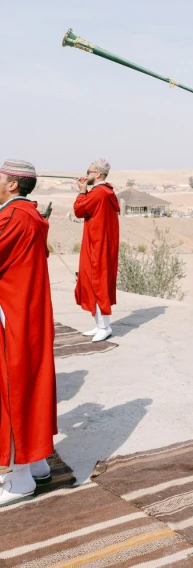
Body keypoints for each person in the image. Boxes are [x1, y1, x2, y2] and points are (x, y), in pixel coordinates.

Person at [0, 159, 57, 506]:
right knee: (32, 384)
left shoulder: (10, 218)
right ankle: (36, 462)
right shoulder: (33, 214)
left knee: (13, 389)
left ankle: (19, 477)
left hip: (13, 315)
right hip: (31, 313)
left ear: (11, 185)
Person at [74, 158, 120, 342]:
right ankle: (100, 324)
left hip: (98, 245)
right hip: (98, 243)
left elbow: (79, 209)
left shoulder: (99, 193)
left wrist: (81, 192)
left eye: (89, 171)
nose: (86, 174)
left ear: (98, 174)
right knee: (93, 282)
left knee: (98, 282)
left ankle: (105, 326)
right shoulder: (103, 192)